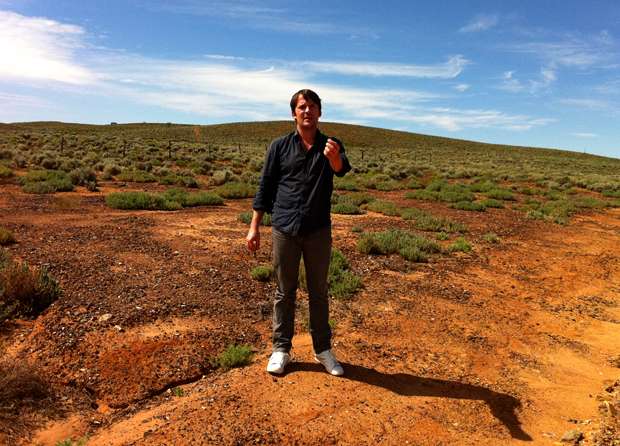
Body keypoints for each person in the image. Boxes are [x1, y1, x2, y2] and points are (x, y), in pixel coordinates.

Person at [246, 89, 352, 376]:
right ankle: (281, 350)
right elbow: (265, 187)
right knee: (284, 292)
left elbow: (342, 169)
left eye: (313, 106)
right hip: (284, 229)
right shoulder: (279, 146)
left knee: (318, 292)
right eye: (302, 106)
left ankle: (322, 351)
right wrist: (254, 226)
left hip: (318, 230)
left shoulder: (331, 145)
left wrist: (333, 159)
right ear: (294, 113)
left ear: (320, 112)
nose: (307, 111)